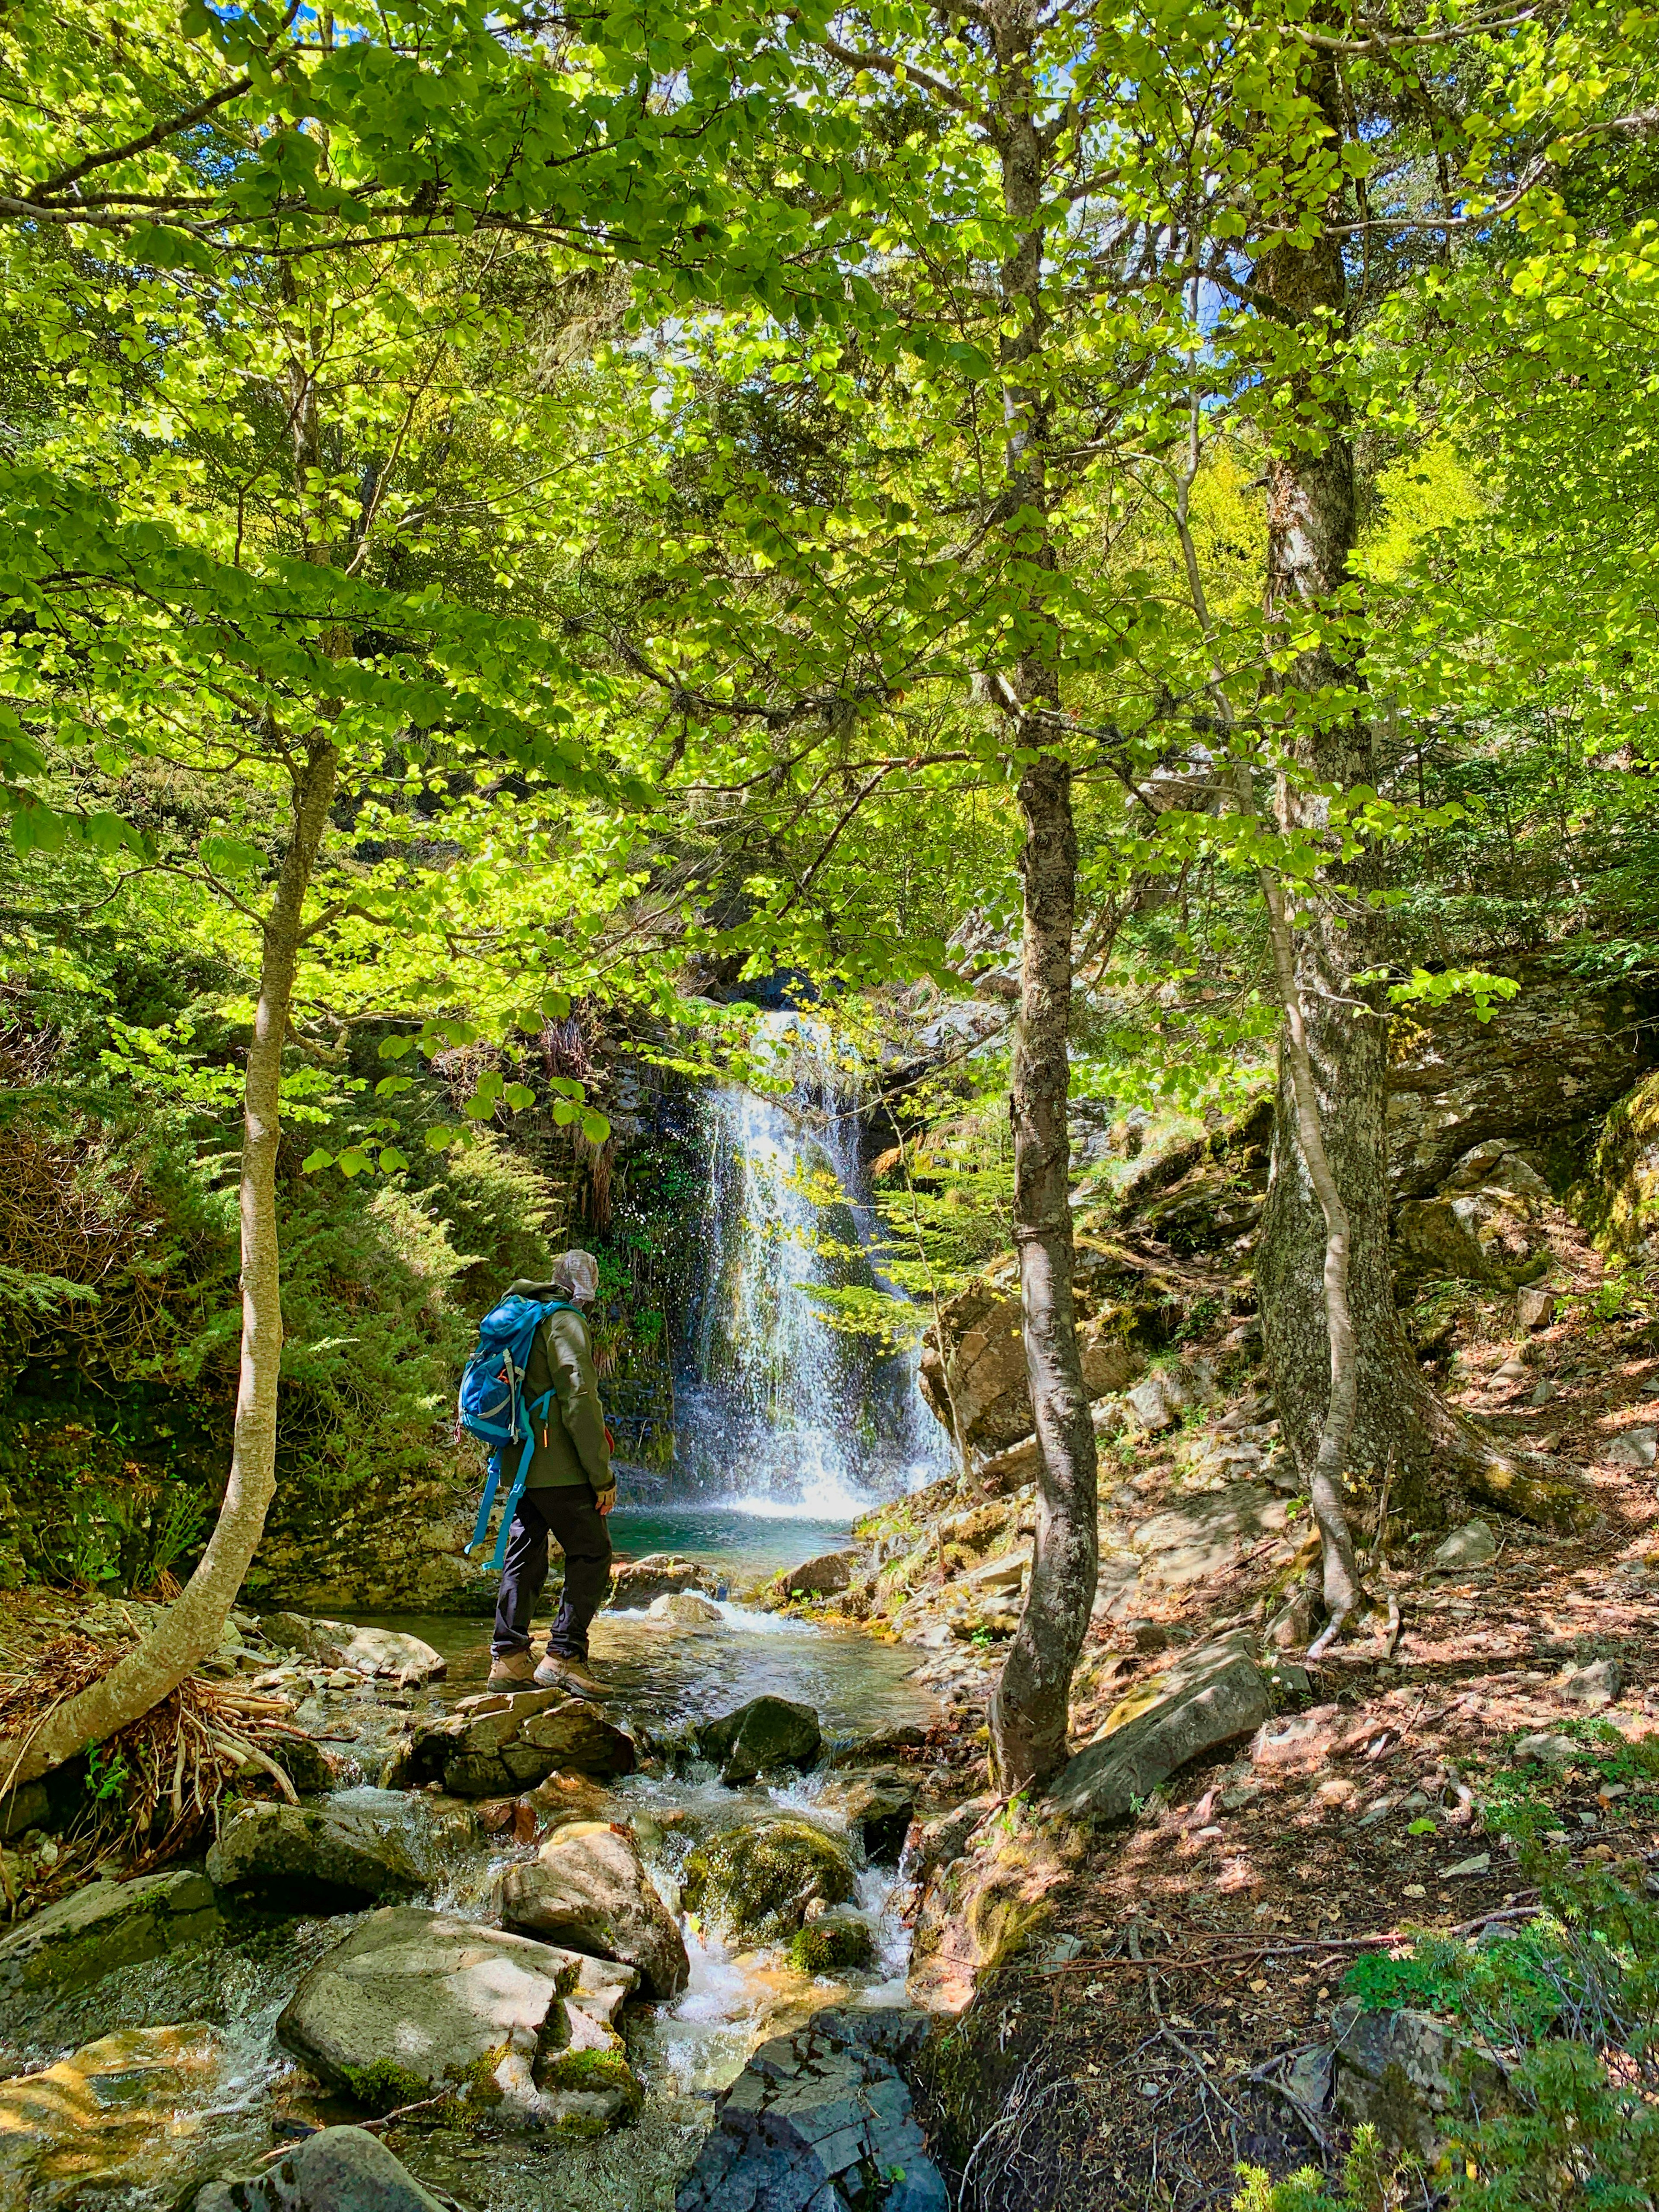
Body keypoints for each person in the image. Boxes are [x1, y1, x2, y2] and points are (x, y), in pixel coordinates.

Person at [487, 1249, 615, 1693]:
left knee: (525, 1552)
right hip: (558, 1464)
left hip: (522, 1461)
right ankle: (564, 1654)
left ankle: (508, 1657)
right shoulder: (565, 1322)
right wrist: (601, 1475)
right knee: (593, 1552)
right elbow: (580, 1399)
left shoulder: (527, 1315)